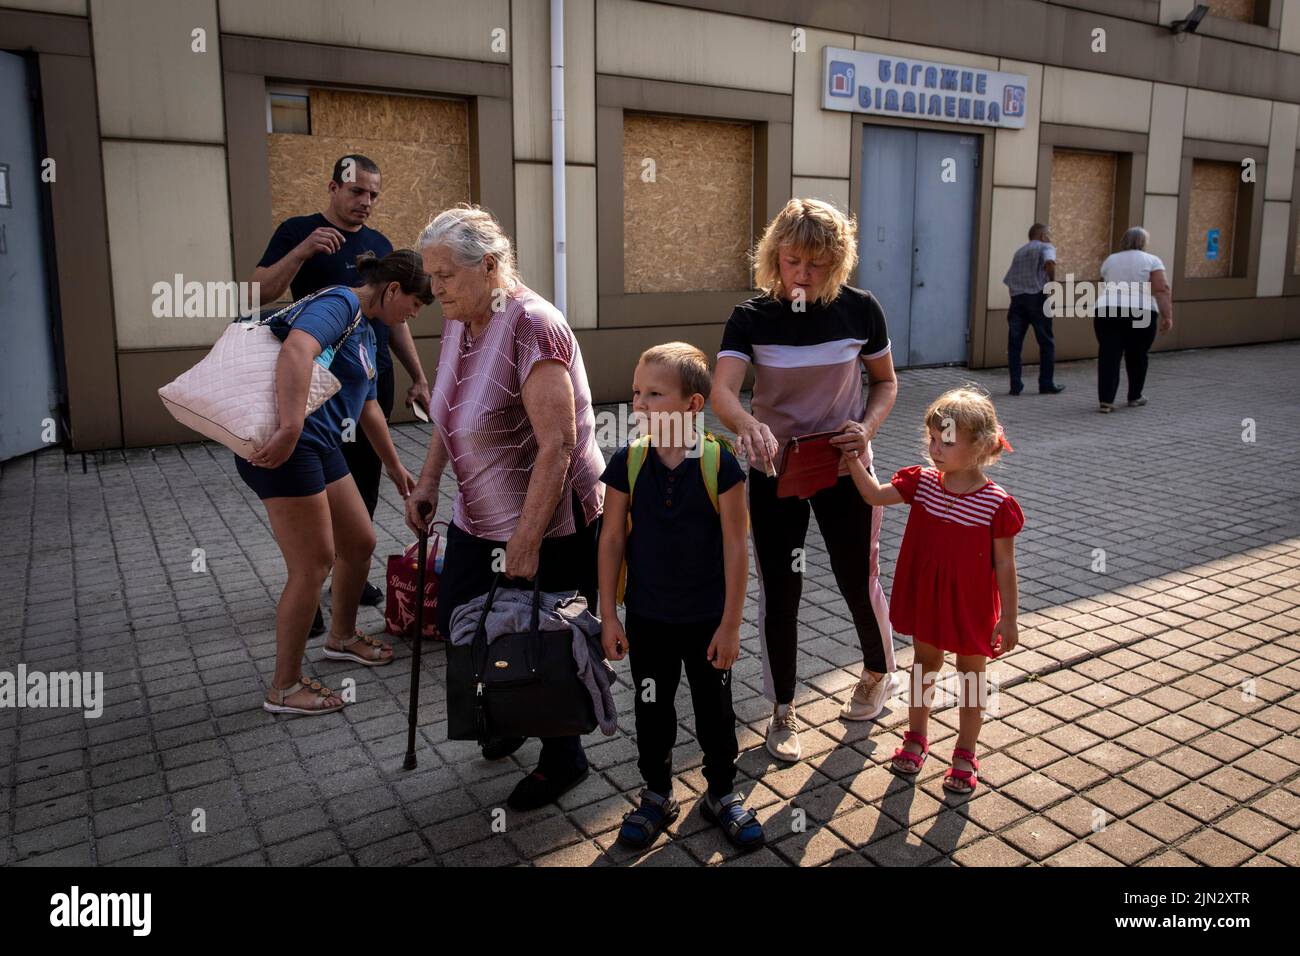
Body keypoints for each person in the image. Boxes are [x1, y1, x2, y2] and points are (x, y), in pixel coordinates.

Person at [404, 204, 606, 811]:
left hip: (549, 519)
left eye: (445, 276)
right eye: (429, 276)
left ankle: (564, 757)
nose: (432, 288)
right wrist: (429, 482)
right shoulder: (460, 320)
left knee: (549, 632)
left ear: (489, 267)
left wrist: (525, 539)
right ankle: (511, 707)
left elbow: (559, 443)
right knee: (468, 619)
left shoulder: (532, 326)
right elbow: (449, 412)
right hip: (475, 514)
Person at [711, 198, 899, 764]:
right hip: (774, 471)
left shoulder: (861, 310)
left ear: (838, 262)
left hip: (845, 469)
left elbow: (886, 384)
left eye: (818, 263)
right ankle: (783, 708)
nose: (803, 274)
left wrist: (865, 429)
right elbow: (722, 391)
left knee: (855, 576)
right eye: (792, 260)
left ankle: (876, 672)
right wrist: (745, 424)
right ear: (774, 258)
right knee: (780, 590)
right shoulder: (751, 317)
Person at [242, 250, 428, 716]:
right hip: (291, 447)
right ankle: (283, 687)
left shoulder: (367, 329)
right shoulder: (340, 303)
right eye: (415, 303)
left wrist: (393, 465)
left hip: (321, 444)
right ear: (391, 290)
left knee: (360, 541)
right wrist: (287, 427)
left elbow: (366, 406)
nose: (414, 315)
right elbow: (297, 349)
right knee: (313, 564)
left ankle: (342, 638)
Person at [598, 343, 763, 852]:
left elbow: (737, 546)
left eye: (654, 394)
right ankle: (656, 793)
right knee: (652, 707)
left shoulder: (721, 463)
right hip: (647, 618)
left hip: (707, 619)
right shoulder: (628, 460)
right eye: (636, 393)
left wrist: (731, 624)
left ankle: (721, 792)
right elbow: (611, 540)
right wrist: (609, 615)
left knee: (715, 708)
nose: (640, 404)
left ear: (694, 405)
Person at [253, 154, 432, 622]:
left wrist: (418, 375)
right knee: (309, 497)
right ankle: (308, 586)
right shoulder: (299, 231)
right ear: (333, 188)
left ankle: (345, 577)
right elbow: (255, 294)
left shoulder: (378, 244)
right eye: (357, 191)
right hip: (314, 400)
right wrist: (302, 252)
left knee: (361, 492)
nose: (366, 202)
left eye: (374, 194)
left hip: (367, 388)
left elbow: (396, 322)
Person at [843, 387, 1024, 794]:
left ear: (979, 447)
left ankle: (965, 752)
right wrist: (854, 457)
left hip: (973, 605)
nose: (935, 448)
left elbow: (1006, 564)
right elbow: (873, 495)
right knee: (924, 664)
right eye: (931, 437)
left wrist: (1009, 617)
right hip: (929, 595)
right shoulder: (922, 483)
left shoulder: (997, 504)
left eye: (947, 440)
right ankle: (916, 737)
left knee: (971, 675)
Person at [1094, 226, 1174, 413]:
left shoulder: (1110, 259)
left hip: (1107, 309)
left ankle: (1106, 400)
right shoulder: (1152, 260)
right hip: (1141, 310)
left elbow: (1104, 282)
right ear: (1143, 242)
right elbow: (1162, 288)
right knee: (1137, 354)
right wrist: (1167, 316)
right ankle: (1134, 396)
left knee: (1109, 354)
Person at [1002, 223, 1065, 396]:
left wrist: (1016, 296)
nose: (1050, 237)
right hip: (1037, 298)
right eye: (1049, 234)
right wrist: (1051, 283)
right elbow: (1050, 263)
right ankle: (1046, 383)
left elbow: (1009, 279)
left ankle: (1015, 385)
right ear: (1043, 235)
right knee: (1046, 342)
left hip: (1017, 300)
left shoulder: (1019, 252)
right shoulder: (1046, 247)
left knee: (1014, 345)